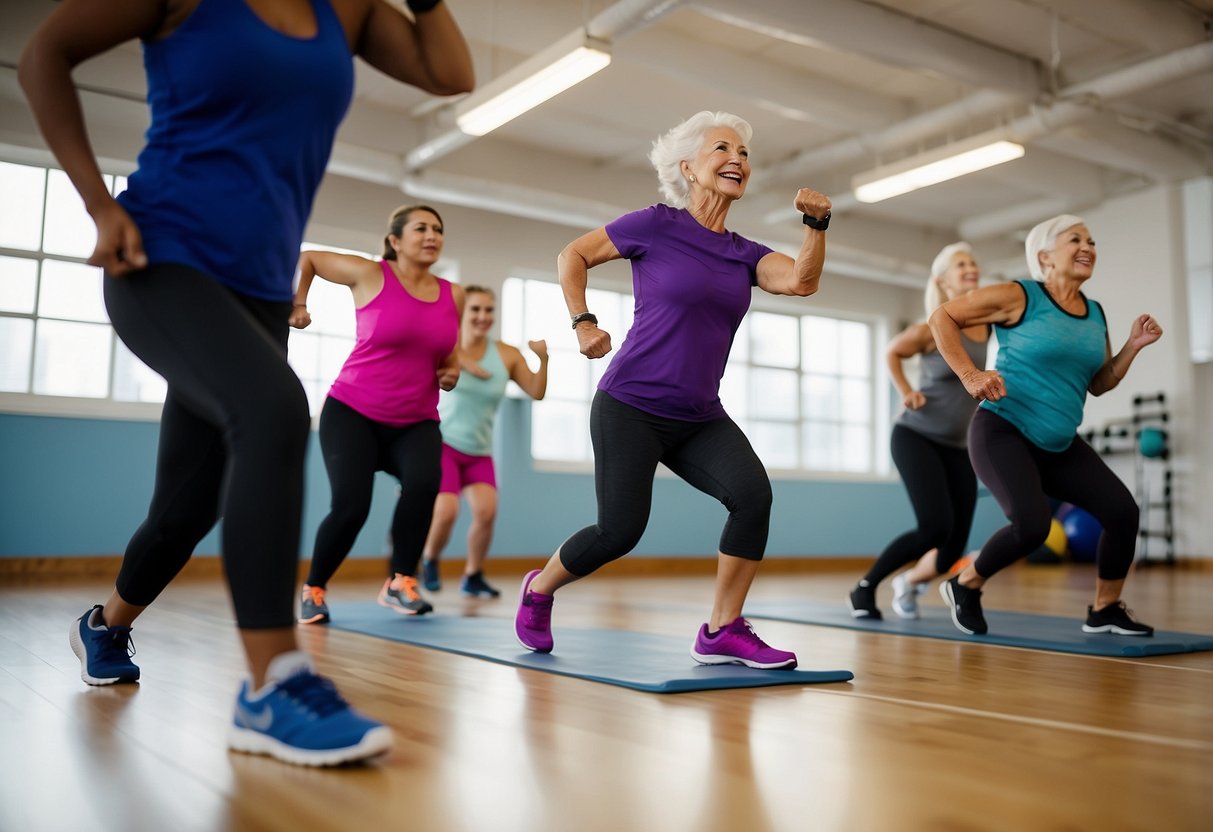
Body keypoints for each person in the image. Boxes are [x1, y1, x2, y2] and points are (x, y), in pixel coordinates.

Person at [20, 0, 473, 766]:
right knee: (272, 414)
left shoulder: (349, 9)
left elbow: (450, 73)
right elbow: (43, 55)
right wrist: (98, 204)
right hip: (161, 258)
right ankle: (271, 684)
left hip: (257, 293)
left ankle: (106, 624)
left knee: (184, 508)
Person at [513, 110, 832, 669]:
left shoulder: (746, 254)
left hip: (699, 415)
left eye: (745, 153)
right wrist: (583, 322)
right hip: (630, 404)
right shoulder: (656, 225)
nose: (738, 159)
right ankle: (539, 590)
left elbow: (802, 280)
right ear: (688, 167)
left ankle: (722, 629)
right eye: (722, 149)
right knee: (619, 531)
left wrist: (816, 227)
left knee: (753, 497)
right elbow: (574, 255)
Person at [929, 215, 1162, 637]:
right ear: (1044, 257)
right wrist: (970, 375)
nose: (1088, 245)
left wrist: (1132, 347)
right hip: (1003, 429)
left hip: (1059, 442)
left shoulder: (1095, 313)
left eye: (1091, 239)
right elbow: (941, 318)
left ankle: (1105, 608)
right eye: (1075, 239)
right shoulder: (1020, 296)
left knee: (1122, 512)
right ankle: (965, 585)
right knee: (1032, 526)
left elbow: (1099, 382)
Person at [292, 205, 463, 623]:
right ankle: (313, 588)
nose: (432, 235)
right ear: (395, 241)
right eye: (421, 228)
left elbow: (449, 350)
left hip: (416, 419)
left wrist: (452, 369)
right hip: (354, 412)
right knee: (352, 508)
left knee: (424, 485)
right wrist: (297, 302)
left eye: (438, 229)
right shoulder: (371, 274)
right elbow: (309, 258)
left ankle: (400, 581)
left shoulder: (452, 293)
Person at [849, 243, 988, 620]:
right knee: (934, 527)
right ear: (942, 280)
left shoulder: (987, 323)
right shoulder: (933, 325)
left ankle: (908, 583)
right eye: (961, 264)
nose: (971, 268)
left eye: (973, 262)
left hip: (958, 445)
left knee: (953, 547)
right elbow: (892, 351)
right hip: (916, 437)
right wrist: (906, 391)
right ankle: (864, 588)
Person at [418, 286, 549, 598]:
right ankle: (429, 560)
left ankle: (472, 575)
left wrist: (543, 359)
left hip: (479, 450)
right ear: (462, 312)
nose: (482, 317)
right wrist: (456, 357)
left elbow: (536, 392)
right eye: (475, 309)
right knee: (447, 511)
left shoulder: (506, 355)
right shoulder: (445, 345)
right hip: (444, 443)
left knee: (487, 512)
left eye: (489, 310)